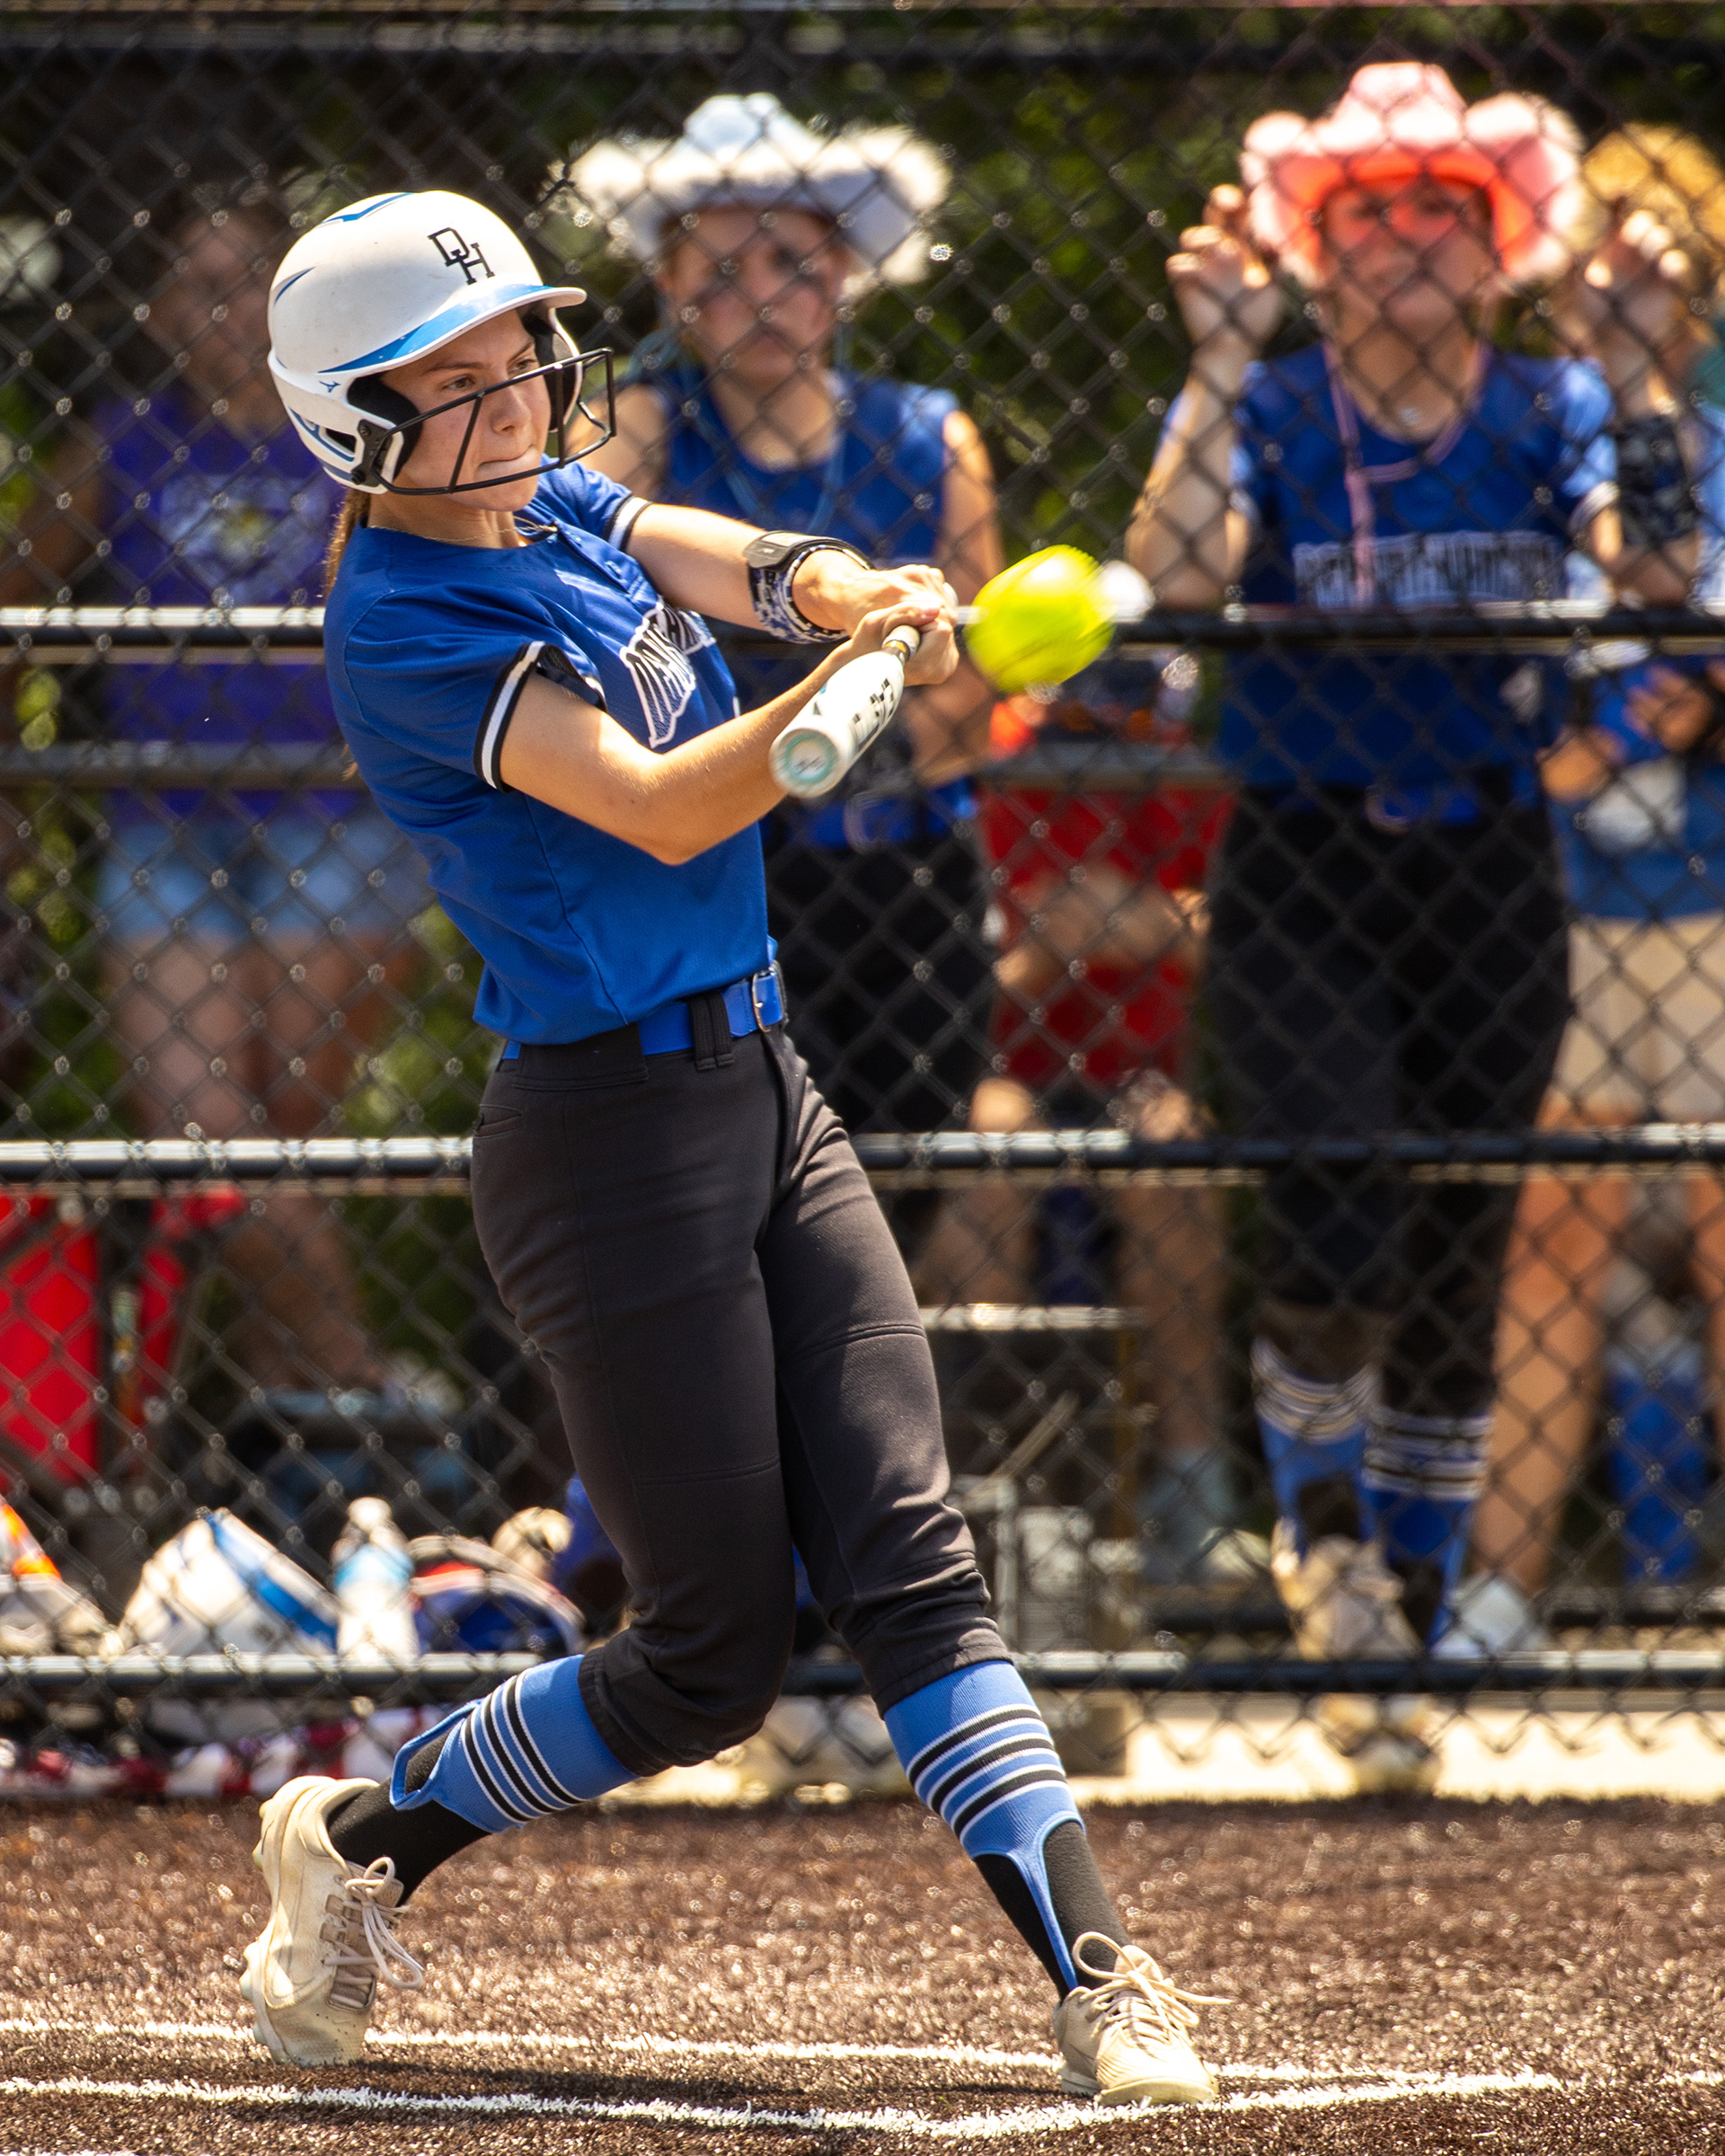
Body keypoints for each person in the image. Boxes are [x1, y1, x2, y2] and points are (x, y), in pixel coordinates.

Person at [235, 187, 1219, 2107]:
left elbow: (678, 536)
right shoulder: (405, 618)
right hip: (603, 1142)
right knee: (707, 1659)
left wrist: (830, 583)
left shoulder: (537, 502)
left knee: (914, 1558)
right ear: (353, 424)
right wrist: (844, 689)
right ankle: (361, 1840)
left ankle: (1103, 1975)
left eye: (519, 355)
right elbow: (668, 806)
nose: (519, 398)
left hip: (767, 1087)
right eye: (453, 381)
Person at [1127, 63, 1697, 1784]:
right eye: (1369, 213)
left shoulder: (1552, 401)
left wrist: (1642, 372)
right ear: (1319, 247)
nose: (1408, 240)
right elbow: (1175, 574)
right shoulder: (1276, 400)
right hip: (1305, 856)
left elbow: (1660, 578)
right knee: (1335, 1207)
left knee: (1462, 1238)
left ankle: (1410, 1618)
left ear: (1502, 238)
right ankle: (1326, 1544)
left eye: (1445, 209)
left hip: (1492, 854)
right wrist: (1214, 361)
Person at [570, 94, 1003, 1249]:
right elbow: (591, 637)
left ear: (845, 276)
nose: (760, 296)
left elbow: (967, 705)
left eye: (792, 263)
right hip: (726, 868)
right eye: (722, 269)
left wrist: (856, 733)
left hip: (907, 868)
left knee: (897, 1198)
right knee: (747, 1202)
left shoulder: (931, 436)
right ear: (670, 285)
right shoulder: (641, 431)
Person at [33, 187, 422, 1390]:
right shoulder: (120, 444)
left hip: (340, 818)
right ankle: (362, 1395)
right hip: (163, 821)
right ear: (158, 311)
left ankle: (281, 1409)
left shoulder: (362, 437)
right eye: (197, 285)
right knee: (206, 1137)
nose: (227, 308)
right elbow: (18, 602)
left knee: (276, 1137)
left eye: (250, 277)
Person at [1473, 129, 1725, 1642]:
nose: (1618, 288)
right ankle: (1497, 1597)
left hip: (1713, 901)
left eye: (1653, 264)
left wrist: (1612, 731)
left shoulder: (1713, 446)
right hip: (1562, 904)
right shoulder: (1527, 446)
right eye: (1594, 264)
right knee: (1554, 1235)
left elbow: (1690, 660)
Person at [963, 658, 1235, 1584]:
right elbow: (945, 982)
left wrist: (1154, 921)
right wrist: (1044, 951)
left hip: (1141, 1069)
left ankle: (1195, 1490)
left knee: (1173, 1159)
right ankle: (992, 1483)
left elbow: (1247, 936)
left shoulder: (1182, 766)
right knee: (990, 1156)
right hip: (1003, 1064)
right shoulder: (994, 761)